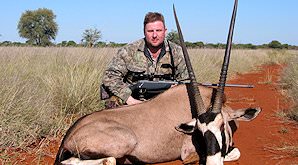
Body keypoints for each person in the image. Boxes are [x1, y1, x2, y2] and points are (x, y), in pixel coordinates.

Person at [102, 12, 189, 107]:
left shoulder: (177, 51)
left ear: (165, 31)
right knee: (113, 101)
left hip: (167, 100)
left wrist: (177, 89)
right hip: (133, 100)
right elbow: (110, 76)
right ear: (144, 32)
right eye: (150, 31)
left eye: (159, 30)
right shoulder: (128, 51)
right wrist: (130, 100)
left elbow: (186, 81)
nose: (155, 35)